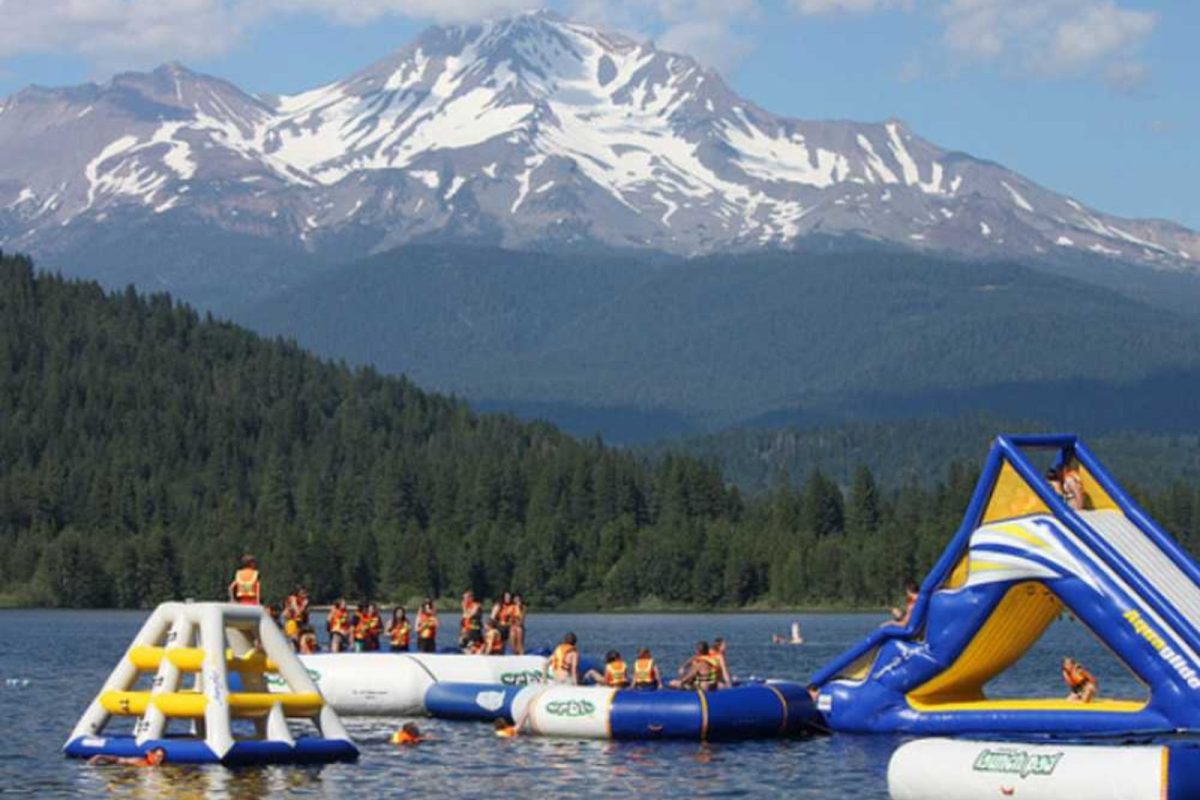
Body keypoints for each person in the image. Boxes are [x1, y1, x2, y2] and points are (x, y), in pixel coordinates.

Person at [88, 746, 166, 767]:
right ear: (152, 755)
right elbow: (119, 760)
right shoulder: (139, 761)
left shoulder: (162, 766)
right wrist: (101, 757)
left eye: (162, 757)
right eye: (158, 756)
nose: (160, 759)